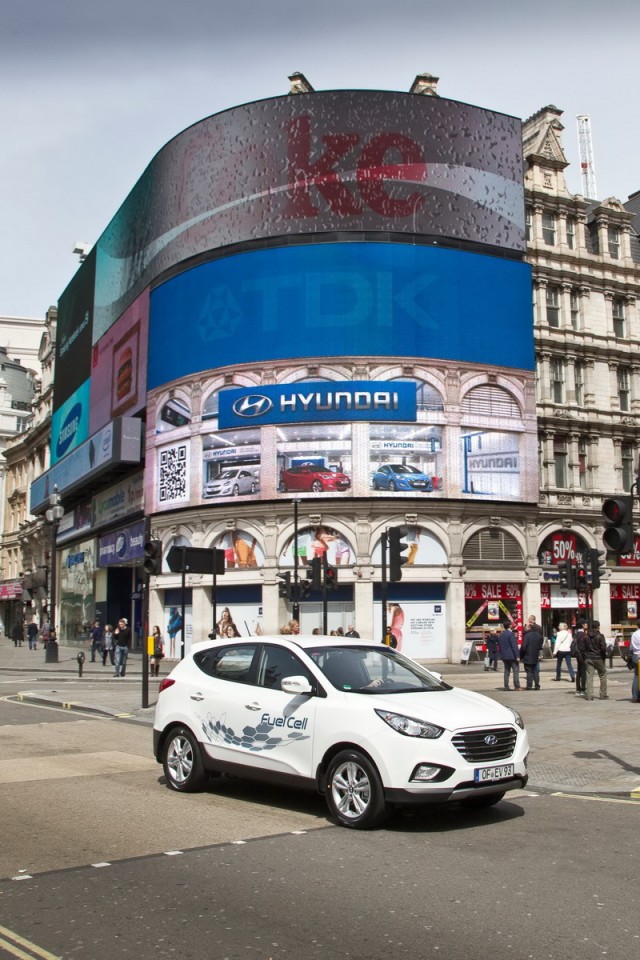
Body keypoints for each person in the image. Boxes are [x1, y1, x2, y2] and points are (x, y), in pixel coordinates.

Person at [578, 620, 608, 701]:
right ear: (598, 626)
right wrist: (603, 656)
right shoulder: (600, 636)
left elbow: (582, 648)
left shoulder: (586, 636)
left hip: (589, 657)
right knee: (602, 675)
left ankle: (589, 695)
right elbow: (603, 648)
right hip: (598, 657)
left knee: (589, 676)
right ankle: (603, 694)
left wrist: (585, 656)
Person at [520, 620, 544, 690]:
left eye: (526, 627)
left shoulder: (526, 636)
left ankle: (529, 685)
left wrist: (521, 655)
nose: (525, 628)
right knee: (536, 672)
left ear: (529, 628)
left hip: (527, 656)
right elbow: (540, 645)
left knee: (529, 672)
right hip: (535, 655)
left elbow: (523, 647)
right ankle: (537, 685)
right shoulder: (538, 636)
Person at [497, 621, 521, 690]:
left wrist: (502, 655)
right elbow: (514, 646)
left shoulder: (501, 635)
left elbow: (500, 646)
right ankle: (517, 686)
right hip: (512, 656)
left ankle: (506, 686)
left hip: (505, 656)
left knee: (506, 671)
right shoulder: (511, 634)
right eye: (511, 624)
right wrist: (517, 656)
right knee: (515, 671)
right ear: (510, 625)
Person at [571, 621, 588, 696]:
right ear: (582, 625)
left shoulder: (576, 634)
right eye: (585, 623)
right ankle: (583, 689)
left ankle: (578, 688)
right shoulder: (583, 634)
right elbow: (583, 646)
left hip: (577, 654)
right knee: (583, 671)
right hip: (582, 655)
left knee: (579, 671)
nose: (587, 625)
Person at [628, 625, 640, 703]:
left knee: (636, 676)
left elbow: (631, 647)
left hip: (635, 656)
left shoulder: (634, 634)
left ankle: (635, 696)